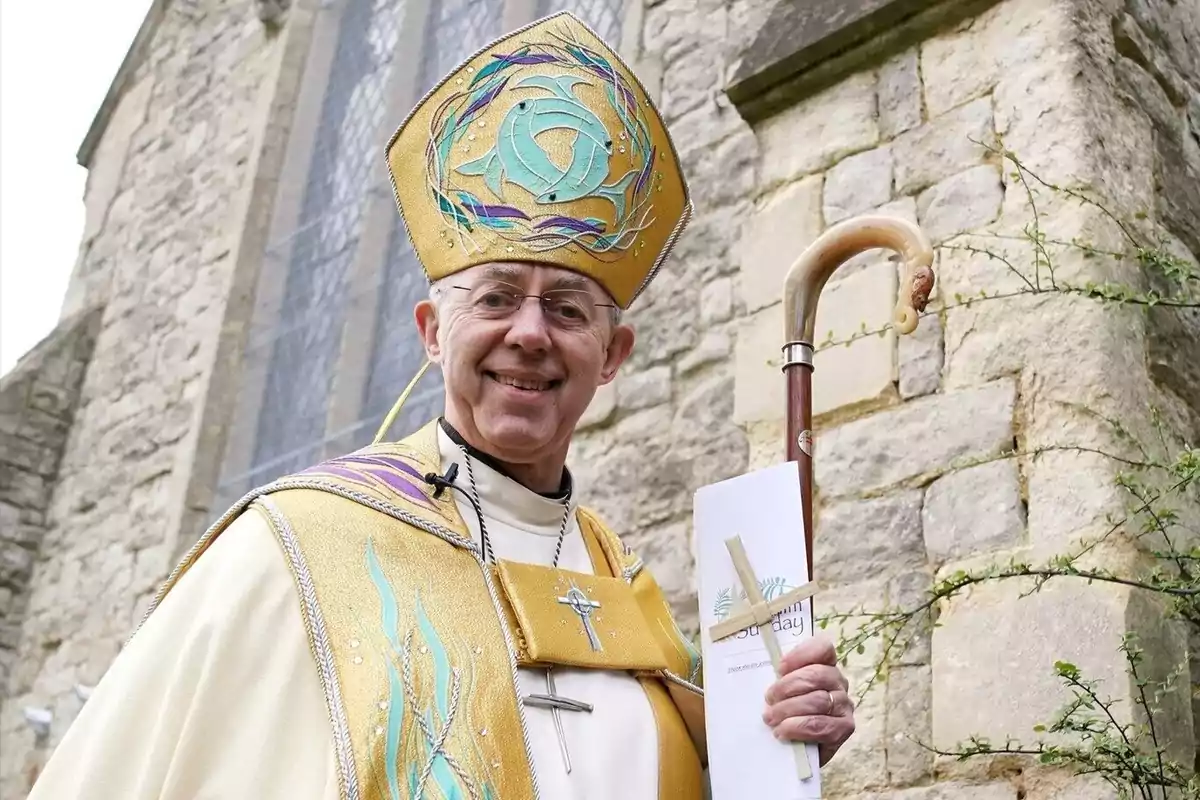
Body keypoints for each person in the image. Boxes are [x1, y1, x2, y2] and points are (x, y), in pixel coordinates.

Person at [28, 11, 855, 799]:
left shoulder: (621, 582)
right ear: (432, 332)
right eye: (497, 299)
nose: (530, 334)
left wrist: (778, 745)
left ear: (613, 356)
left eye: (567, 309)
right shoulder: (291, 551)